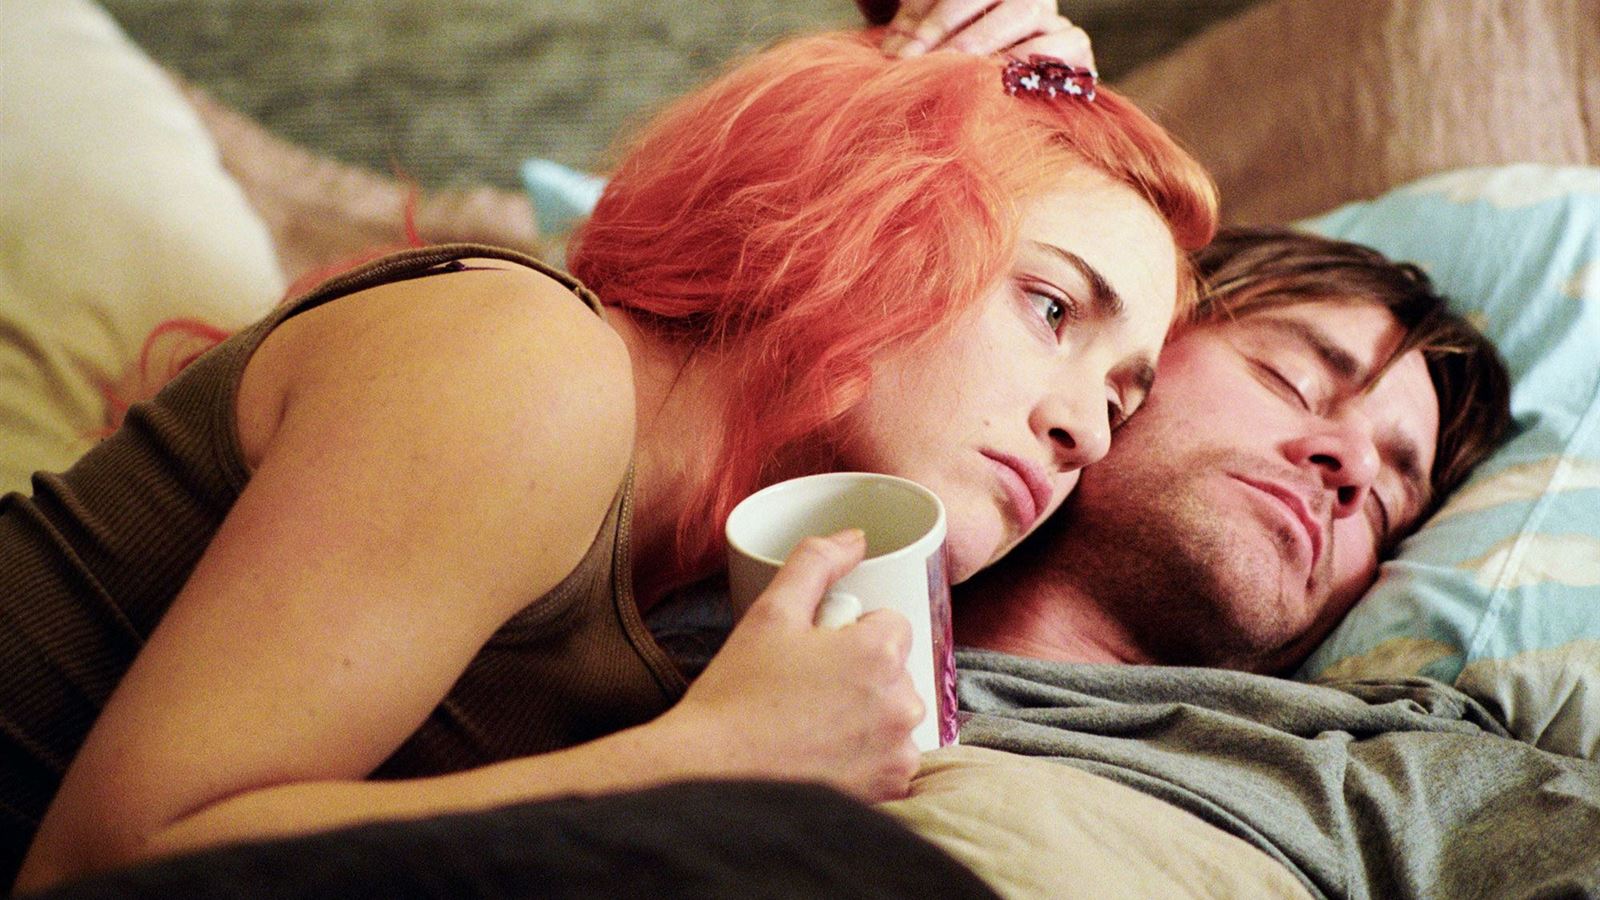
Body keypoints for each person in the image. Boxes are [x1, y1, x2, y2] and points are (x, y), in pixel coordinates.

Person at [3, 26, 1218, 892]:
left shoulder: (696, 613)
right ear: (879, 220)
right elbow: (99, 872)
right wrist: (701, 760)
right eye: (1052, 309)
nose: (1085, 429)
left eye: (1123, 401)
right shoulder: (527, 364)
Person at [954, 225, 1512, 673]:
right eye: (1292, 381)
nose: (1357, 467)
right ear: (1146, 347)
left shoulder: (1382, 762)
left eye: (1382, 505)